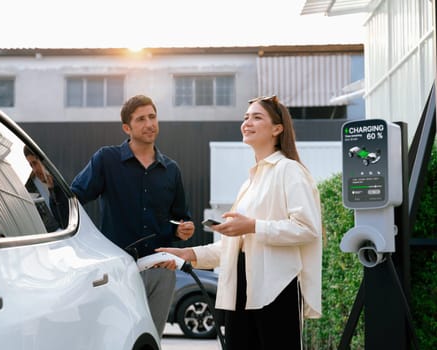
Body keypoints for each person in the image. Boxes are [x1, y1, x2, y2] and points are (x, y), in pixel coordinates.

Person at [158, 95, 323, 349]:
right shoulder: (249, 183)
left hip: (276, 288)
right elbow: (232, 247)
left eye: (257, 117)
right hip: (240, 287)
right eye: (246, 117)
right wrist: (186, 253)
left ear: (277, 129)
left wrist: (253, 226)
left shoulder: (289, 170)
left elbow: (307, 229)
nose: (247, 122)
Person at [70, 94, 195, 335]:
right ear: (127, 127)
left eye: (152, 116)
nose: (149, 124)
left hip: (161, 269)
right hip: (118, 269)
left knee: (152, 338)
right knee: (116, 337)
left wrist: (182, 230)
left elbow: (180, 219)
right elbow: (75, 198)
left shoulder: (171, 169)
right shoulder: (106, 160)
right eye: (141, 119)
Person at [24, 146, 68, 231]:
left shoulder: (64, 187)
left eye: (35, 163)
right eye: (31, 165)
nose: (35, 170)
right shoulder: (52, 193)